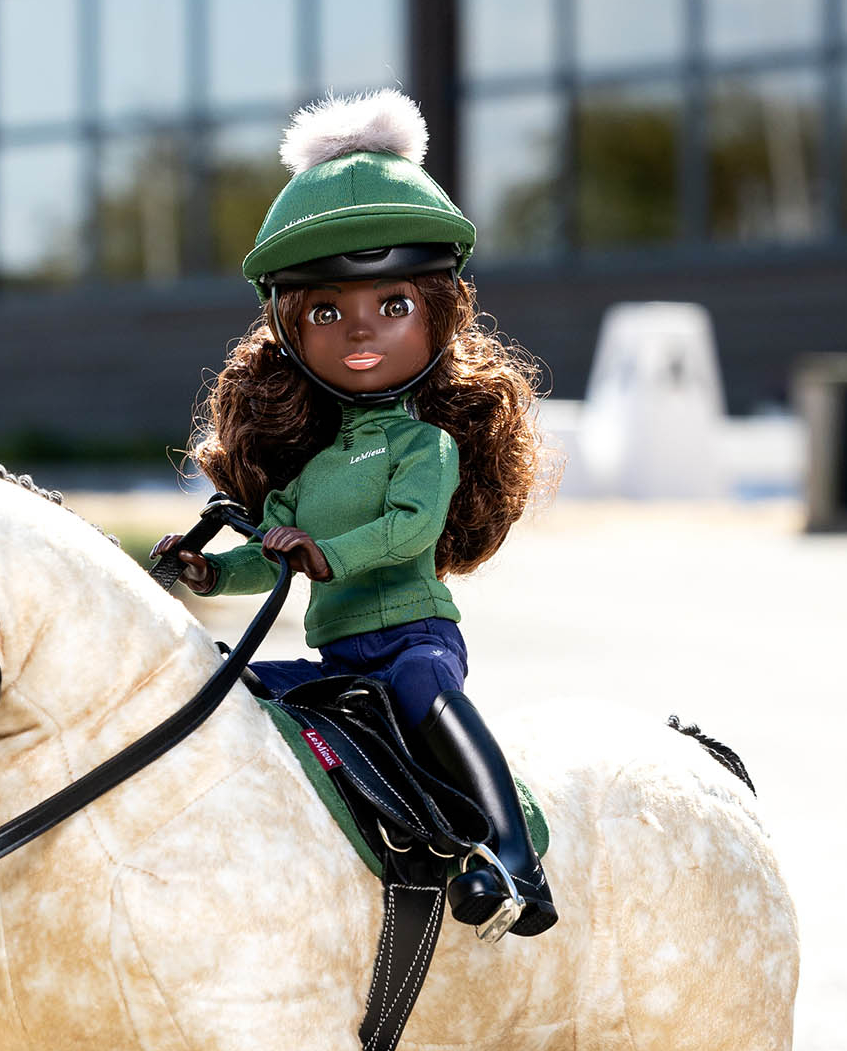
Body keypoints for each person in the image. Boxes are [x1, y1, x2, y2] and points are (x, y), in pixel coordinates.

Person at [154, 89, 556, 938]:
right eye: (327, 313)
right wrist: (209, 571)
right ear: (290, 331)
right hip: (339, 656)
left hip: (413, 640)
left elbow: (408, 533)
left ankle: (514, 862)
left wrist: (324, 556)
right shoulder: (311, 471)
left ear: (440, 313)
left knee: (420, 687)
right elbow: (272, 555)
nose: (359, 332)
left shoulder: (424, 449)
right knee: (235, 684)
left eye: (393, 306)